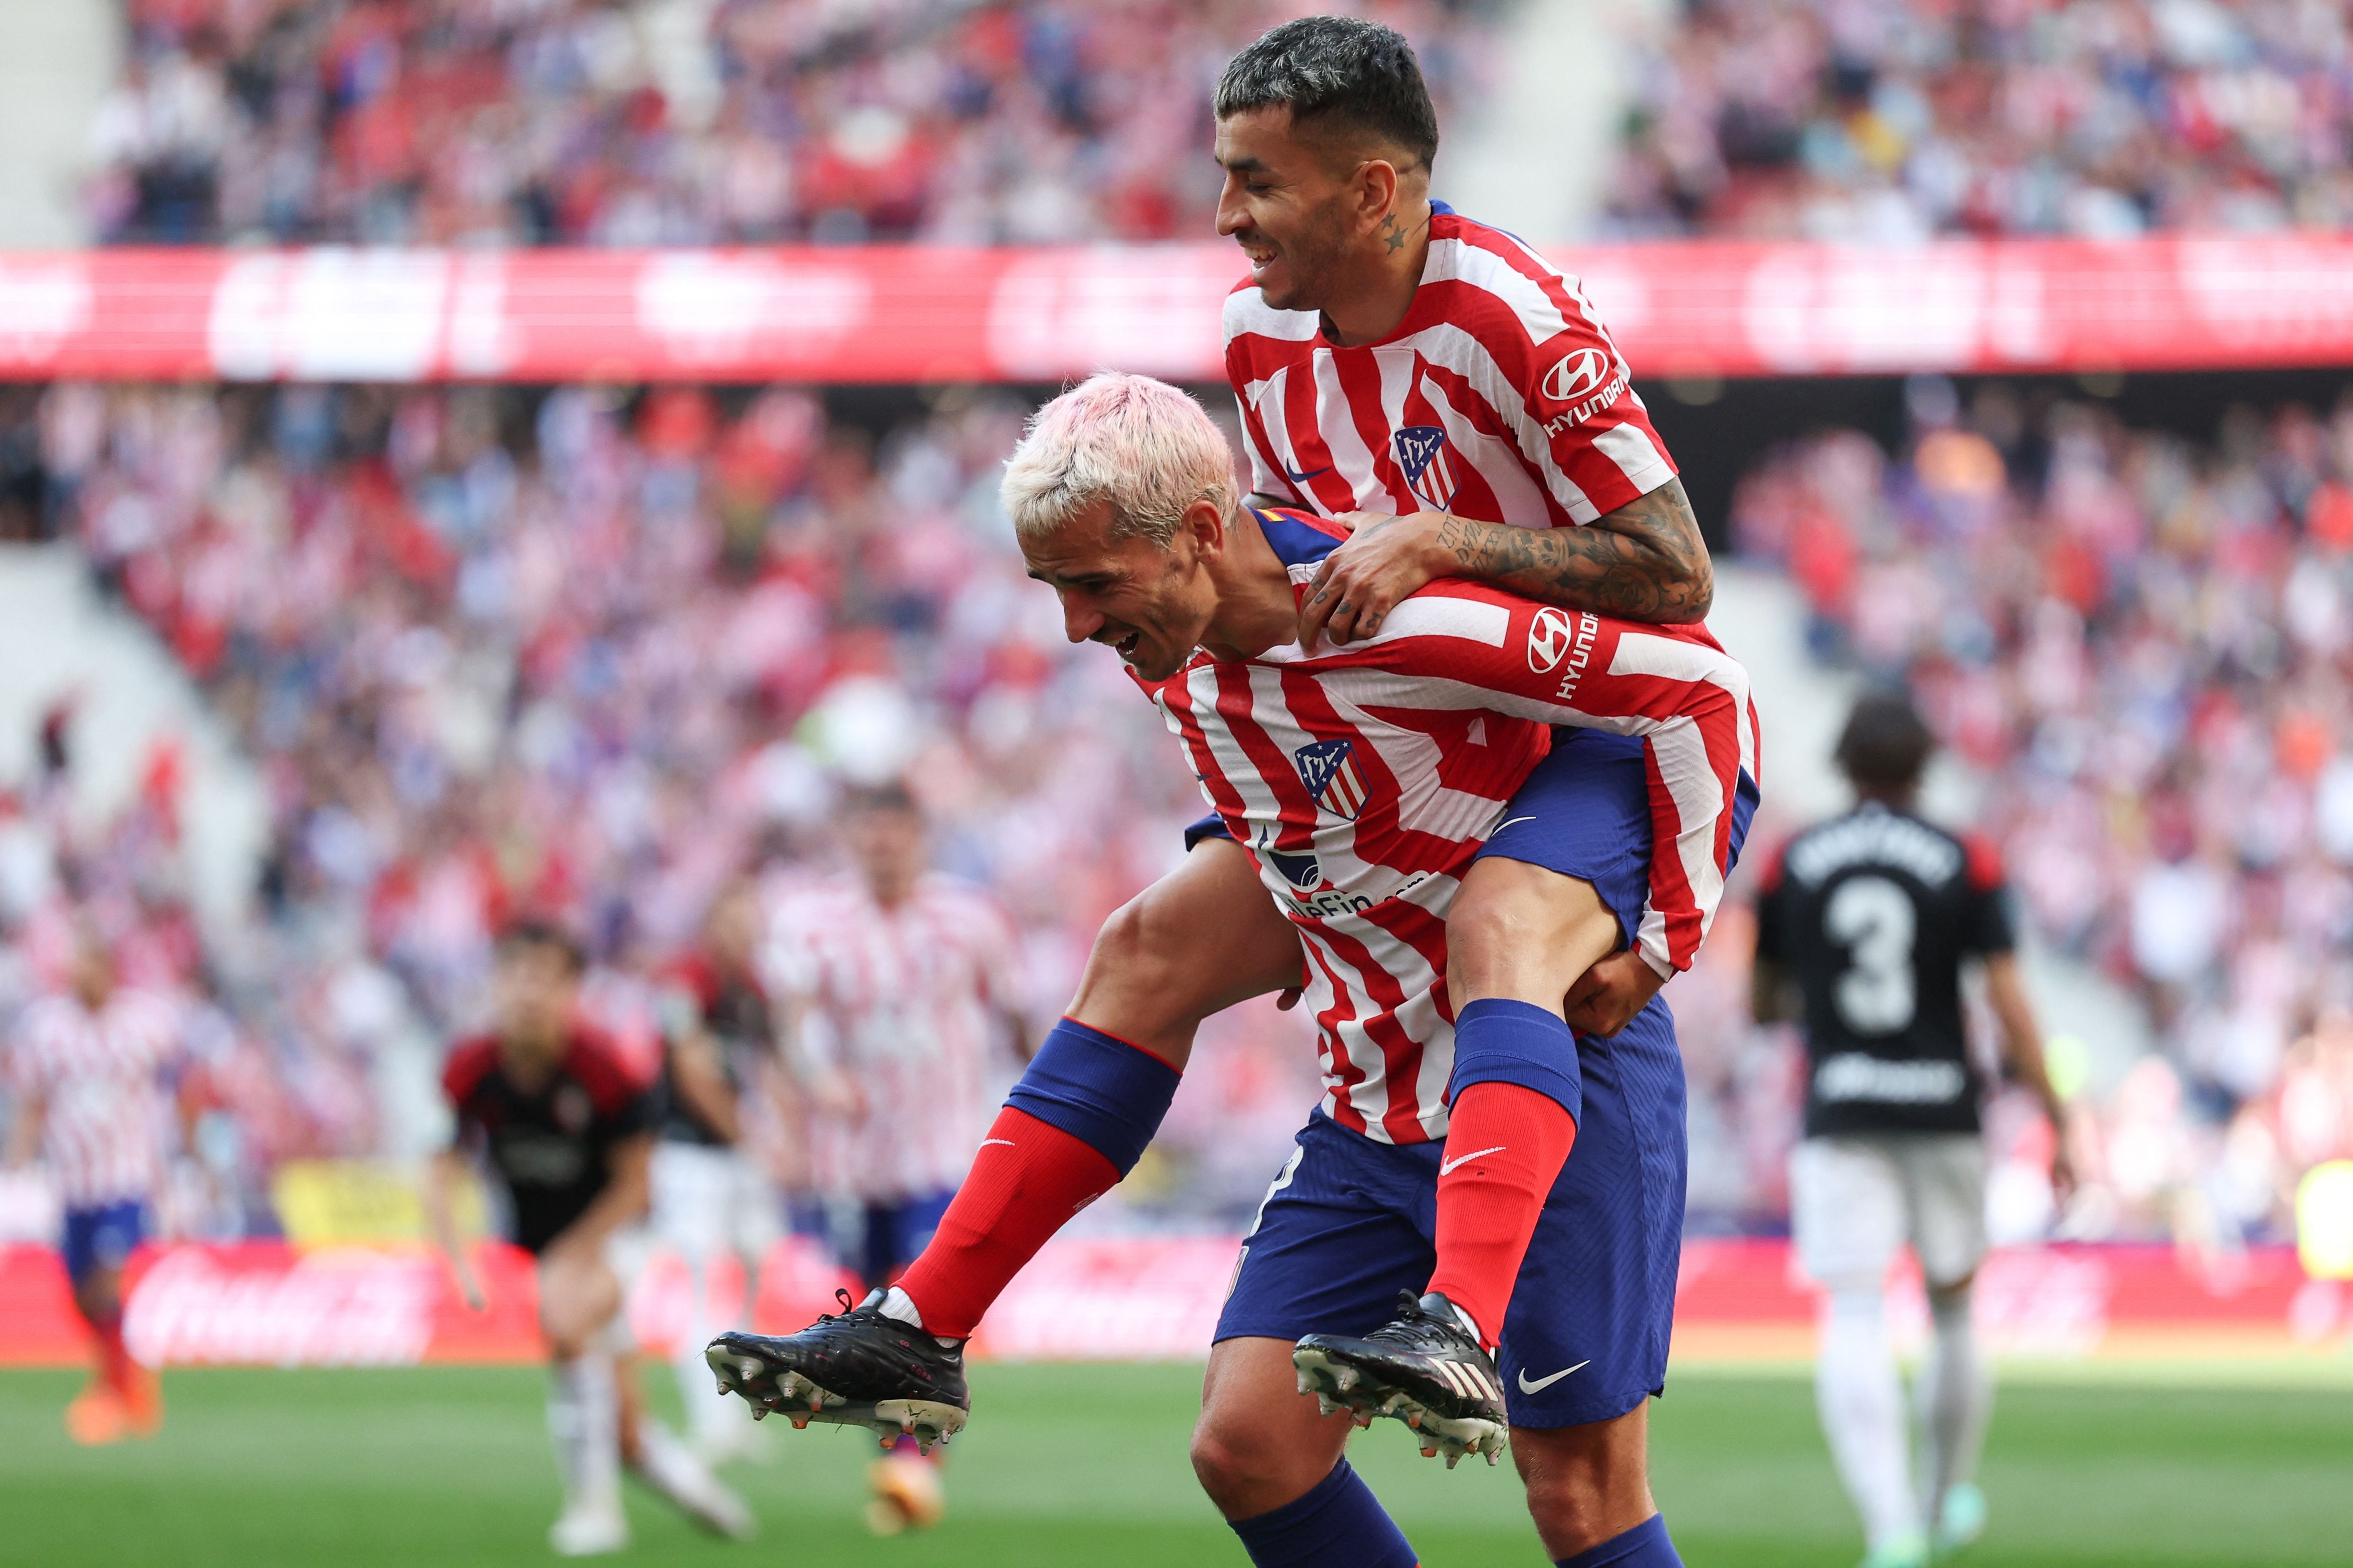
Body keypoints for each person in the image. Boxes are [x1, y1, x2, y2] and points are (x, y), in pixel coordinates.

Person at [769, 14, 1724, 1411]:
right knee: (1151, 942)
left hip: (1593, 724)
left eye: (1257, 183)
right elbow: (1272, 574)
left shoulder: (1514, 315)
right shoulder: (1258, 333)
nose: (1227, 217)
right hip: (1418, 702)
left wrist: (1447, 541)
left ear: (1372, 193)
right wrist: (1280, 820)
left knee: (1499, 927)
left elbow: (1678, 582)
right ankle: (923, 1322)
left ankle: (1456, 1315)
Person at [709, 374, 1757, 1568]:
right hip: (1374, 1093)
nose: (1073, 627)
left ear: (1201, 534)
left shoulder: (1396, 614)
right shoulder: (1174, 646)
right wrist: (1303, 886)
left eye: (1093, 585)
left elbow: (1700, 687)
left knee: (1576, 1495)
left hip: (1546, 1082)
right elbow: (1291, 779)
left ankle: (1457, 1317)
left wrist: (1663, 939)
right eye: (1053, 591)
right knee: (1247, 1445)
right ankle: (918, 1325)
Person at [1751, 691, 2074, 1568]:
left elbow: (1761, 1000)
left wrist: (1812, 1004)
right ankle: (1944, 1497)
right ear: (1926, 765)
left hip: (1842, 1106)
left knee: (1853, 1310)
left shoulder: (1795, 859)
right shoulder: (1962, 855)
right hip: (1943, 1107)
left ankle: (1890, 1528)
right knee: (1955, 1309)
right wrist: (2058, 1117)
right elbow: (2007, 998)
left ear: (1844, 765)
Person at [427, 920, 753, 1556]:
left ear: (571, 990)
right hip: (552, 1247)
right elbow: (442, 1167)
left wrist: (578, 1250)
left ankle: (594, 1512)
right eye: (516, 975)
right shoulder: (472, 1069)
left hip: (620, 1235)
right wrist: (458, 1258)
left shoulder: (602, 1069)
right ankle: (705, 1497)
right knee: (625, 1430)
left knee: (565, 1315)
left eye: (545, 978)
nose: (528, 992)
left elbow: (637, 1184)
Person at [767, 782, 1031, 1534]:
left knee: (922, 1308)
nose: (883, 844)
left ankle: (914, 1464)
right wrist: (819, 1079)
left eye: (897, 831)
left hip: (944, 1152)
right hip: (854, 1159)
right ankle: (900, 1455)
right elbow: (790, 1021)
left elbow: (1015, 1012)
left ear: (920, 836)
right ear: (853, 837)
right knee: (874, 1309)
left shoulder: (971, 918)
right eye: (870, 831)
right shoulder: (814, 923)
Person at [3, 930, 183, 1444]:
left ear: (109, 969)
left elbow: (182, 1084)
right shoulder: (46, 1029)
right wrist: (17, 1158)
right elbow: (33, 1100)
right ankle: (129, 1380)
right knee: (82, 1296)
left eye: (88, 966)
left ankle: (117, 1392)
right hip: (74, 1182)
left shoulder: (145, 1023)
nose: (79, 977)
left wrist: (187, 1147)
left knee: (107, 1280)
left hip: (126, 1177)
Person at [646, 880, 785, 1465]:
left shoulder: (753, 988)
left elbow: (774, 1064)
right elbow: (691, 1068)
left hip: (739, 1154)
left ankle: (741, 1410)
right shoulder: (687, 981)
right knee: (703, 1282)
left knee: (751, 1272)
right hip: (693, 1154)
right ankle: (711, 1422)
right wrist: (750, 1136)